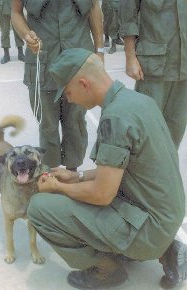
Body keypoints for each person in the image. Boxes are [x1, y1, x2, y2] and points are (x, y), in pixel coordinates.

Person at [27, 48, 187, 289]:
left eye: (68, 92)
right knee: (82, 192)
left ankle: (107, 270)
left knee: (39, 208)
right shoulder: (137, 101)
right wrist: (76, 176)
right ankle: (166, 248)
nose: (69, 100)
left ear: (83, 83)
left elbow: (101, 195)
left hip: (150, 227)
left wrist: (58, 187)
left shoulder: (114, 119)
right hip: (165, 215)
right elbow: (124, 168)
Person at [11, 0, 104, 171]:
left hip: (77, 61)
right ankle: (51, 175)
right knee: (47, 125)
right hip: (43, 61)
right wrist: (26, 34)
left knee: (75, 123)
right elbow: (15, 12)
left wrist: (100, 50)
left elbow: (94, 8)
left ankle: (72, 173)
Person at [119, 0, 187, 149]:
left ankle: (167, 169)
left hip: (183, 65)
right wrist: (130, 56)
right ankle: (145, 171)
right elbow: (128, 14)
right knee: (147, 127)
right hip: (153, 65)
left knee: (176, 128)